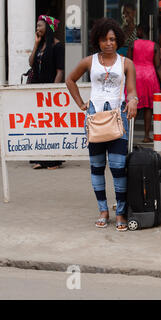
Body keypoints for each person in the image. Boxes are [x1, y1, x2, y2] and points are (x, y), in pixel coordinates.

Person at [65, 18, 138, 232]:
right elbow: (70, 80)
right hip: (94, 118)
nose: (109, 43)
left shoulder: (126, 63)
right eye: (105, 39)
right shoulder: (89, 61)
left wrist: (133, 100)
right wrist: (80, 104)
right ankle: (103, 210)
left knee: (118, 168)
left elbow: (131, 89)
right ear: (97, 40)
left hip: (118, 117)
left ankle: (121, 212)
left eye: (113, 39)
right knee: (97, 167)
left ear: (118, 41)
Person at [28, 15, 65, 170]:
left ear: (48, 28)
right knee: (39, 124)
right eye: (37, 26)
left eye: (40, 26)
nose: (37, 29)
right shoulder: (40, 45)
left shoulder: (57, 46)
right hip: (37, 89)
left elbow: (60, 71)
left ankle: (53, 161)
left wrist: (52, 92)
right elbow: (31, 62)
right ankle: (41, 158)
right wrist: (36, 44)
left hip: (50, 92)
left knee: (51, 125)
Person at [127, 24, 161, 143]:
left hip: (135, 76)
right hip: (150, 76)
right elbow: (158, 66)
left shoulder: (132, 44)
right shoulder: (154, 45)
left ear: (139, 31)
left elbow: (128, 62)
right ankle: (146, 136)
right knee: (148, 107)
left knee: (133, 105)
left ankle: (130, 136)